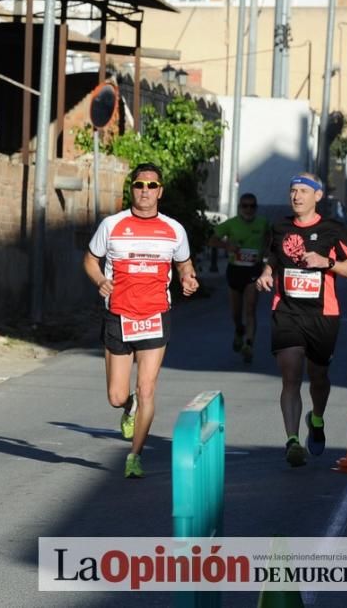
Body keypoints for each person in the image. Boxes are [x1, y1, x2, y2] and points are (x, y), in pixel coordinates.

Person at [83, 162, 199, 479]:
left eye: (151, 186)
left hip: (155, 315)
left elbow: (184, 264)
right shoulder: (112, 225)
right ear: (131, 189)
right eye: (139, 185)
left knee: (147, 388)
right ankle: (128, 406)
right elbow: (91, 260)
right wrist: (99, 281)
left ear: (160, 191)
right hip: (118, 314)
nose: (144, 191)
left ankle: (134, 456)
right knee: (117, 396)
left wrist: (188, 278)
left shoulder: (174, 230)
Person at [256, 172, 347, 468]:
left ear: (317, 196)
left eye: (303, 190)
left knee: (318, 378)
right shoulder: (280, 227)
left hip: (323, 315)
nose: (296, 196)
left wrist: (326, 262)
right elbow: (273, 259)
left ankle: (316, 417)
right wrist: (265, 274)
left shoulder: (333, 229)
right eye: (292, 191)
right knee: (290, 376)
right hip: (287, 312)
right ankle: (292, 441)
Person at [208, 193, 271, 363]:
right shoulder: (231, 223)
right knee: (236, 312)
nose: (248, 209)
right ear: (239, 208)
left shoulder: (263, 223)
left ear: (256, 208)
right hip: (235, 269)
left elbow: (269, 238)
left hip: (253, 270)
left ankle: (249, 344)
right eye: (245, 206)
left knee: (250, 309)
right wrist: (226, 245)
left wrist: (266, 250)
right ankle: (239, 329)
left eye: (252, 206)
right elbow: (212, 240)